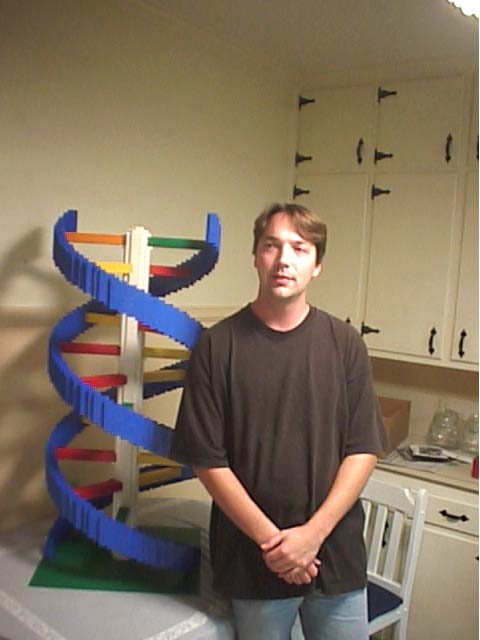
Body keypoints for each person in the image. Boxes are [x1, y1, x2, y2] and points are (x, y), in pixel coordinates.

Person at [171, 202, 386, 640]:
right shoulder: (217, 347)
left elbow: (363, 448)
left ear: (317, 265)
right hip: (254, 561)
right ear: (255, 256)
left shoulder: (345, 344)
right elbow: (207, 461)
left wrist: (312, 536)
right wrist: (277, 545)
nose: (284, 259)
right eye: (272, 245)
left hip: (336, 555)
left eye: (300, 249)